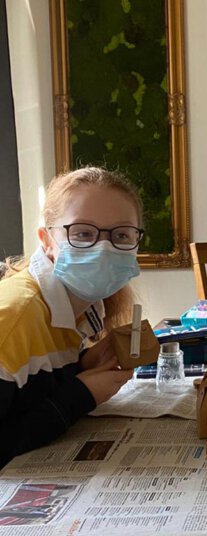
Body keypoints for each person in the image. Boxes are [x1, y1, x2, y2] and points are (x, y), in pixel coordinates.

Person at [0, 167, 142, 467]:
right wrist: (82, 394)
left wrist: (81, 365)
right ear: (47, 241)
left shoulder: (87, 306)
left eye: (121, 235)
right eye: (82, 233)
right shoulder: (14, 318)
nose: (103, 248)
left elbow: (27, 396)